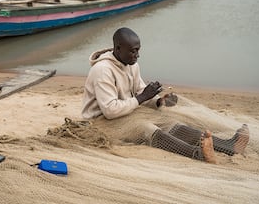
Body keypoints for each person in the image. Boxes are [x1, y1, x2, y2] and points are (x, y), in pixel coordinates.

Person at [81, 27, 249, 163]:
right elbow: (110, 110)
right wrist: (141, 98)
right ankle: (197, 154)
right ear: (118, 48)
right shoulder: (102, 70)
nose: (137, 56)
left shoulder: (131, 64)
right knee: (147, 128)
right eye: (133, 51)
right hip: (100, 122)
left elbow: (139, 91)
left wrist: (158, 101)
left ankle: (230, 146)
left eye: (138, 51)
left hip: (123, 115)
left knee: (170, 123)